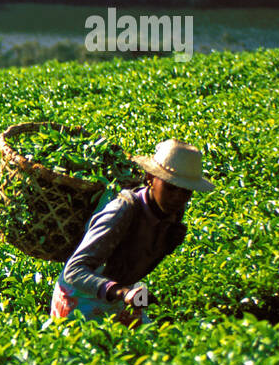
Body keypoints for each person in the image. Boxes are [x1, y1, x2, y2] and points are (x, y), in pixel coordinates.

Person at [51, 139, 214, 325]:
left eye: (185, 192)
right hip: (80, 298)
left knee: (158, 343)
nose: (177, 197)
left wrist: (141, 297)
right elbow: (74, 270)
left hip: (119, 295)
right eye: (170, 187)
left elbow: (132, 264)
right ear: (150, 178)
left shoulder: (173, 214)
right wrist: (123, 292)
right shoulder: (123, 210)